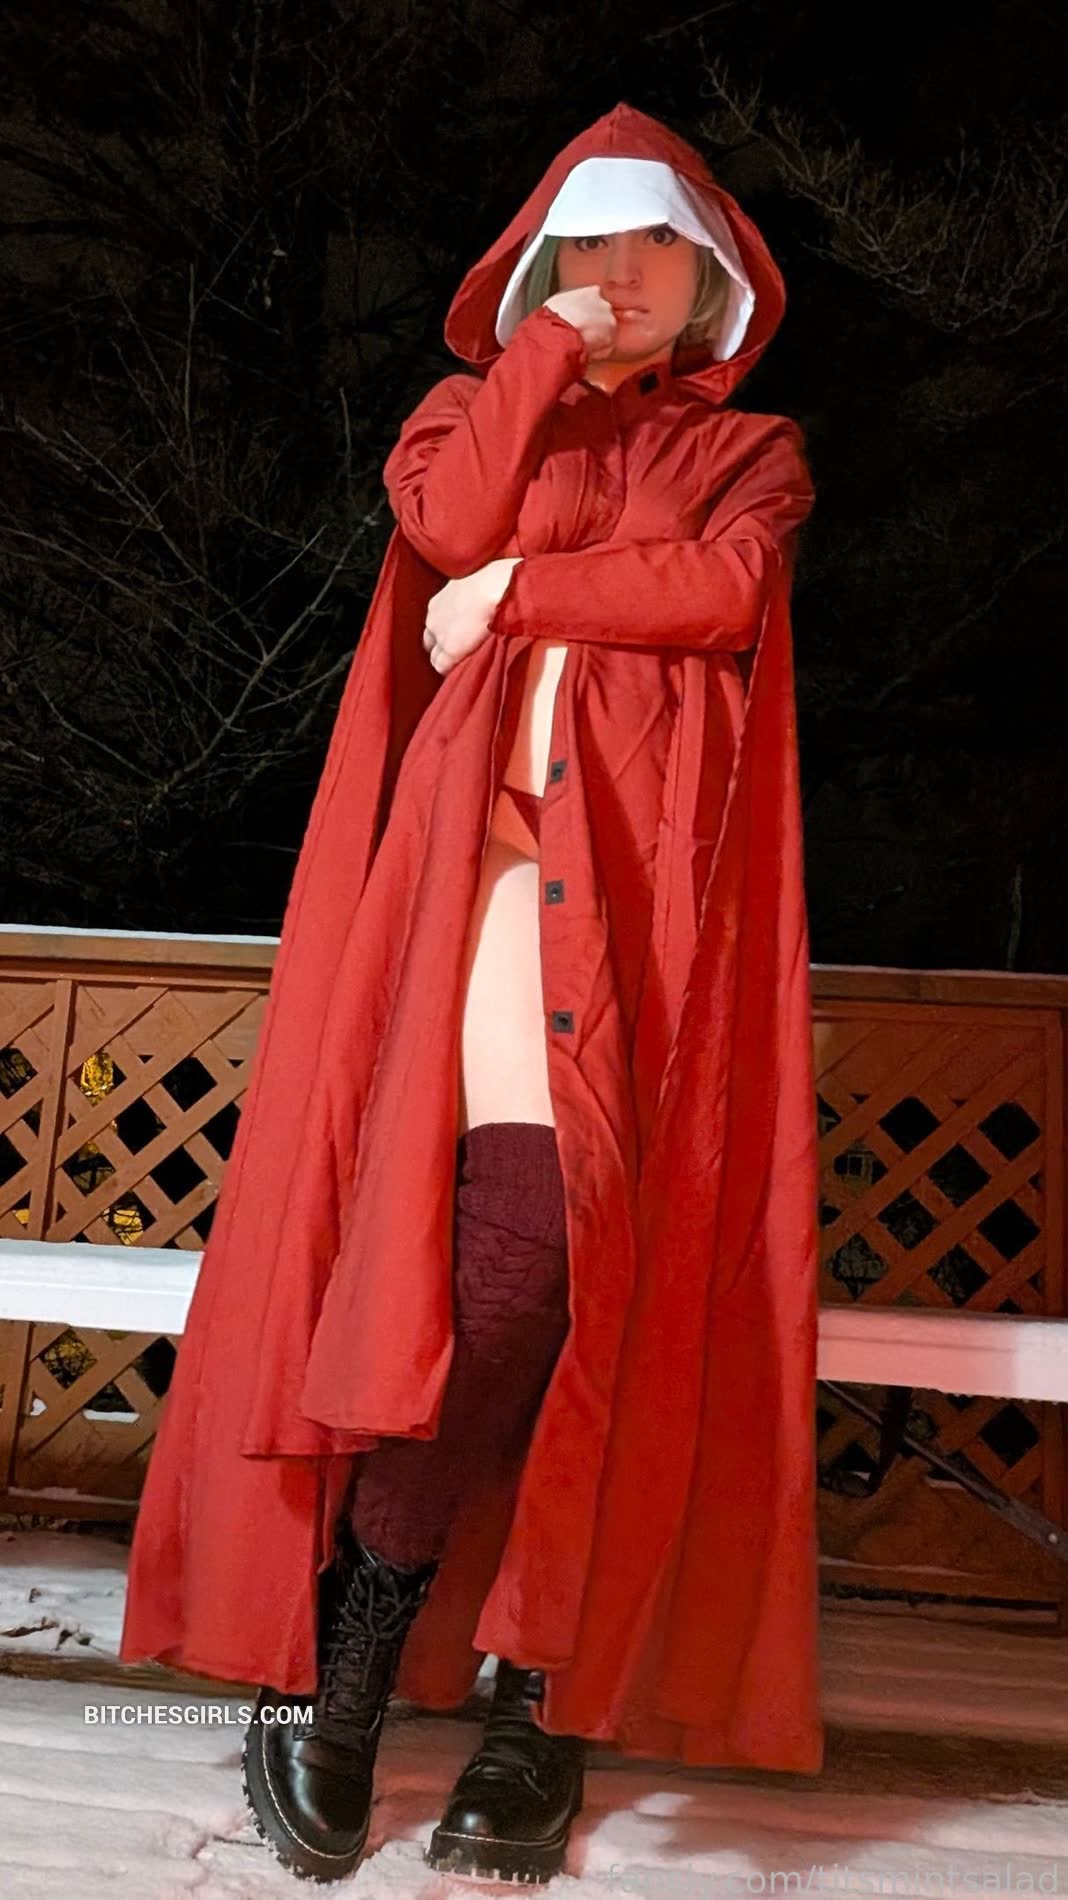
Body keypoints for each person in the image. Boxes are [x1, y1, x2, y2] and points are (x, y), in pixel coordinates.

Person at [119, 101, 823, 1887]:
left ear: (714, 277)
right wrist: (533, 371)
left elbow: (727, 588)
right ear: (537, 267)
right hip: (483, 895)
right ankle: (350, 1669)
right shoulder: (472, 412)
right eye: (587, 245)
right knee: (499, 1262)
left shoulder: (751, 454)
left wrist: (526, 593)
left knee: (597, 1279)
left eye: (655, 246)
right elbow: (442, 518)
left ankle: (535, 1693)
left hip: (650, 921)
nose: (620, 276)